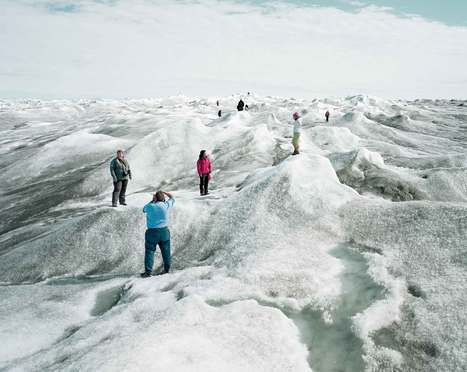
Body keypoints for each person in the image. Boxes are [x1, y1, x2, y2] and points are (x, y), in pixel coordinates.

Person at [141, 191, 175, 277]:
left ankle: (148, 272)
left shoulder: (150, 206)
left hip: (152, 232)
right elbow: (172, 198)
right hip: (164, 232)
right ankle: (167, 270)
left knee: (150, 251)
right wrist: (165, 193)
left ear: (155, 198)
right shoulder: (166, 205)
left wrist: (152, 200)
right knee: (166, 251)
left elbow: (143, 209)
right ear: (163, 199)